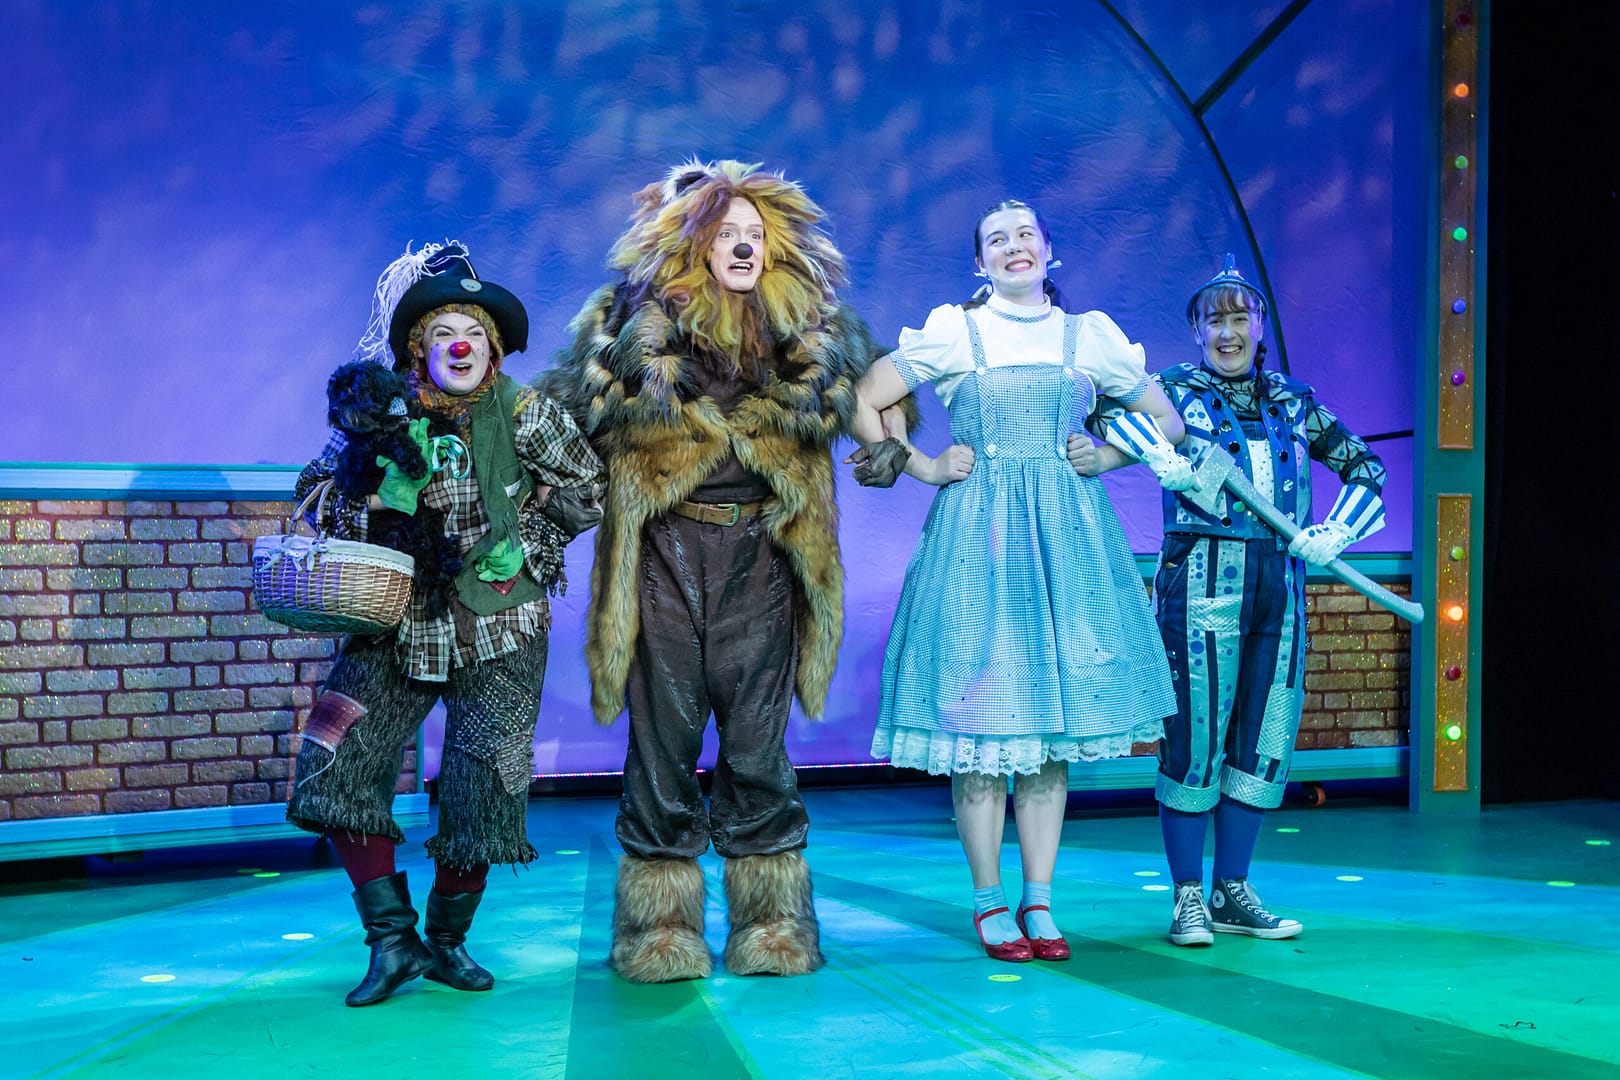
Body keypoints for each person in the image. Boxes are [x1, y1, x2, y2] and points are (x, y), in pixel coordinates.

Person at [539, 160, 897, 982]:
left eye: (754, 234)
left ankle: (773, 922)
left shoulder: (814, 329)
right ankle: (658, 928)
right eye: (725, 233)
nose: (742, 246)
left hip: (764, 556)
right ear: (691, 243)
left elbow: (884, 400)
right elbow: (553, 422)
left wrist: (895, 448)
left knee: (757, 746)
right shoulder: (625, 325)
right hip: (664, 555)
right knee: (662, 742)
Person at [848, 199, 1192, 962]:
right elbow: (862, 398)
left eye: (1026, 235)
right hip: (979, 539)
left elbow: (1168, 420)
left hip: (1065, 540)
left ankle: (1040, 900)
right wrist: (925, 466)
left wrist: (1108, 454)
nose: (1014, 247)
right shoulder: (956, 331)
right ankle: (988, 901)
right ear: (980, 263)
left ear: (1048, 249)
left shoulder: (1087, 334)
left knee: (1047, 737)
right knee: (981, 729)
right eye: (997, 240)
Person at [285, 241, 604, 1006]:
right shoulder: (379, 411)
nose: (459, 346)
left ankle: (449, 942)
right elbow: (313, 490)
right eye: (442, 334)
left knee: (484, 787)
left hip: (502, 627)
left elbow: (589, 485)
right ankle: (393, 943)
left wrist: (531, 542)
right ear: (416, 350)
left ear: (492, 349)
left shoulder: (526, 412)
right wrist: (374, 498)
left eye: (473, 334)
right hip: (394, 624)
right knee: (333, 755)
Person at [1087, 255, 1386, 946]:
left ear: (1260, 325)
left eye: (1239, 318)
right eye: (1213, 320)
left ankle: (1233, 890)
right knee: (1195, 738)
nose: (1227, 332)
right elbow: (1104, 412)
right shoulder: (1172, 394)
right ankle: (1188, 897)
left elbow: (1365, 468)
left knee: (1264, 736)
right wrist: (1160, 453)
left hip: (1281, 585)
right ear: (1196, 331)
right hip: (1200, 580)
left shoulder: (1294, 402)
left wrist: (1336, 531)